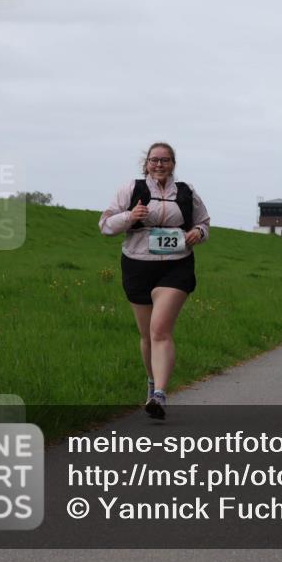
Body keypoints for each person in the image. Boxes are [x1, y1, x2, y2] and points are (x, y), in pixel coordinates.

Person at [99, 142, 210, 420]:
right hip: (137, 265)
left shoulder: (186, 192)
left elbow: (204, 223)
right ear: (146, 164)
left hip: (177, 266)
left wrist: (198, 232)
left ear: (173, 164)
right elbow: (105, 226)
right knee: (147, 334)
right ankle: (151, 383)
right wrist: (130, 216)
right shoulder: (131, 189)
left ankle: (160, 394)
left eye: (165, 160)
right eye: (154, 160)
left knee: (160, 330)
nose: (159, 165)